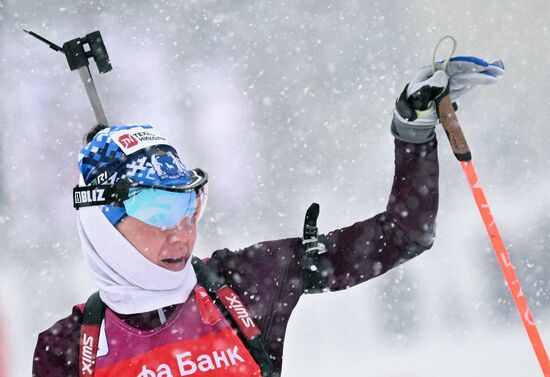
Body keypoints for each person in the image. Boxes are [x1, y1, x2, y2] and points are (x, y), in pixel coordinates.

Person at [32, 57, 504, 377]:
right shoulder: (66, 349)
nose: (182, 234)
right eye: (159, 210)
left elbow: (404, 234)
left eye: (191, 205)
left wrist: (414, 129)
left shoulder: (240, 282)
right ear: (102, 223)